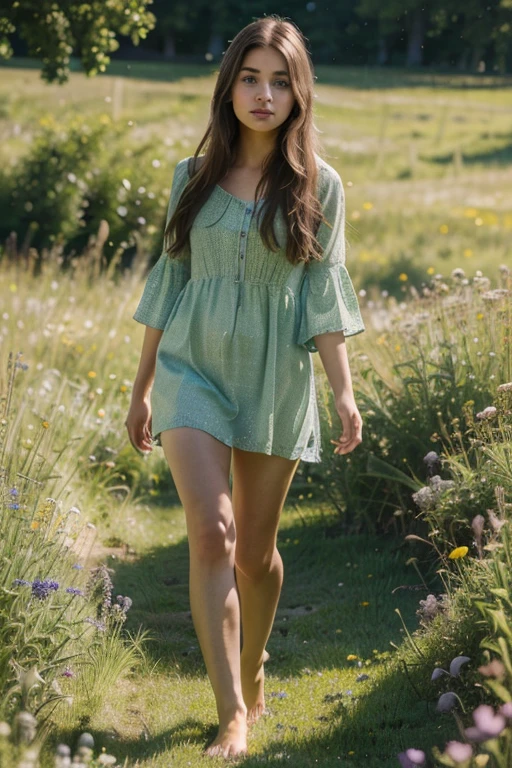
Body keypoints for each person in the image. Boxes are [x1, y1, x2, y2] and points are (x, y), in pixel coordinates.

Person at [125, 14, 366, 759]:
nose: (264, 94)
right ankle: (232, 712)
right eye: (251, 77)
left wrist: (344, 392)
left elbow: (324, 297)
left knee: (255, 555)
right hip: (190, 372)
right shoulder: (189, 179)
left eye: (281, 80)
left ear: (300, 94)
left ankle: (254, 668)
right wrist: (140, 390)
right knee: (213, 533)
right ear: (229, 86)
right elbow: (169, 282)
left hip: (273, 381)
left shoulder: (320, 186)